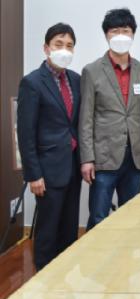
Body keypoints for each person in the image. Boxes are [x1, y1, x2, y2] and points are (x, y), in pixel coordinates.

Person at [79, 8, 140, 229]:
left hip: (135, 157)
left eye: (125, 31)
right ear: (106, 35)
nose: (121, 36)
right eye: (115, 31)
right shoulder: (92, 71)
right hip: (104, 157)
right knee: (98, 217)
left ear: (133, 34)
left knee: (131, 218)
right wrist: (87, 159)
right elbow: (86, 119)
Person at [17, 23, 81, 270]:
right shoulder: (32, 82)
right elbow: (26, 133)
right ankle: (43, 278)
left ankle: (64, 275)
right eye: (58, 44)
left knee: (69, 227)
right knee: (48, 230)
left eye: (69, 46)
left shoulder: (76, 80)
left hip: (72, 165)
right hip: (47, 170)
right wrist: (33, 174)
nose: (64, 50)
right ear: (46, 48)